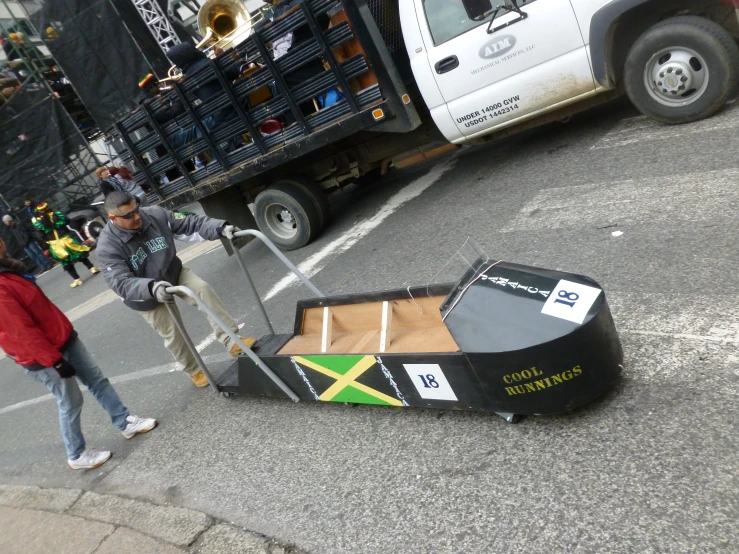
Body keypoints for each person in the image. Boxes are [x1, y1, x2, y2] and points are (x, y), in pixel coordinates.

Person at [0, 237, 157, 470]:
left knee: (98, 381)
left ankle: (124, 421)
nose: (2, 242)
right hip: (45, 357)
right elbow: (21, 331)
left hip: (62, 339)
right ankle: (76, 453)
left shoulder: (8, 271)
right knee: (70, 402)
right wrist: (54, 361)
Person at [96, 191, 256, 388]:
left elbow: (191, 223)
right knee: (172, 330)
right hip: (146, 294)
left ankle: (232, 341)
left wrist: (220, 227)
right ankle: (194, 370)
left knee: (202, 289)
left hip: (172, 271)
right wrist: (151, 287)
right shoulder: (107, 246)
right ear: (113, 218)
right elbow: (119, 282)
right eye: (128, 215)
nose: (137, 216)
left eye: (136, 209)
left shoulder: (155, 214)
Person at [32, 202, 100, 288]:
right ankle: (92, 268)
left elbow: (41, 235)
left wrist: (48, 241)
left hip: (55, 244)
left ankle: (77, 279)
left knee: (66, 262)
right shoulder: (58, 215)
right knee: (79, 255)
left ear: (39, 211)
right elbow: (68, 221)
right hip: (66, 239)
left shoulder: (39, 222)